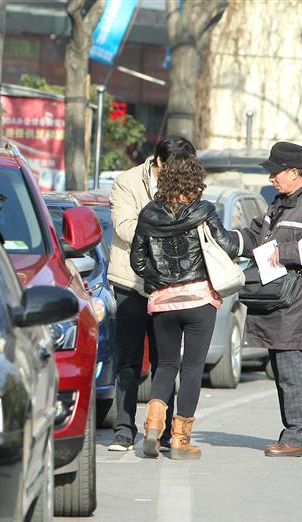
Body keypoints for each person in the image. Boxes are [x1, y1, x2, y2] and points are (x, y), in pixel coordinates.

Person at [237, 141, 302, 457]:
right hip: (279, 300)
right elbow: (258, 236)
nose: (271, 178)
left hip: (299, 304)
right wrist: (227, 239)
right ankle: (293, 434)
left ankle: (297, 438)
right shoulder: (279, 202)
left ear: (295, 172)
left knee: (291, 370)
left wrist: (282, 253)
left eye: (275, 172)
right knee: (281, 369)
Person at [130, 157, 241, 459]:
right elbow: (227, 247)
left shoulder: (148, 214)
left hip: (164, 303)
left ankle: (153, 426)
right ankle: (180, 440)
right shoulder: (203, 211)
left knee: (166, 366)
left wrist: (160, 282)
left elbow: (137, 262)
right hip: (199, 300)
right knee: (192, 369)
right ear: (196, 183)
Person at [106, 135, 197, 452]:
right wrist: (165, 229)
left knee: (167, 362)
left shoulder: (186, 183)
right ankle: (123, 429)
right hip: (131, 283)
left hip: (171, 285)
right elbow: (125, 227)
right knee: (129, 361)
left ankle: (167, 430)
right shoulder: (127, 182)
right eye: (173, 168)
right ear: (158, 162)